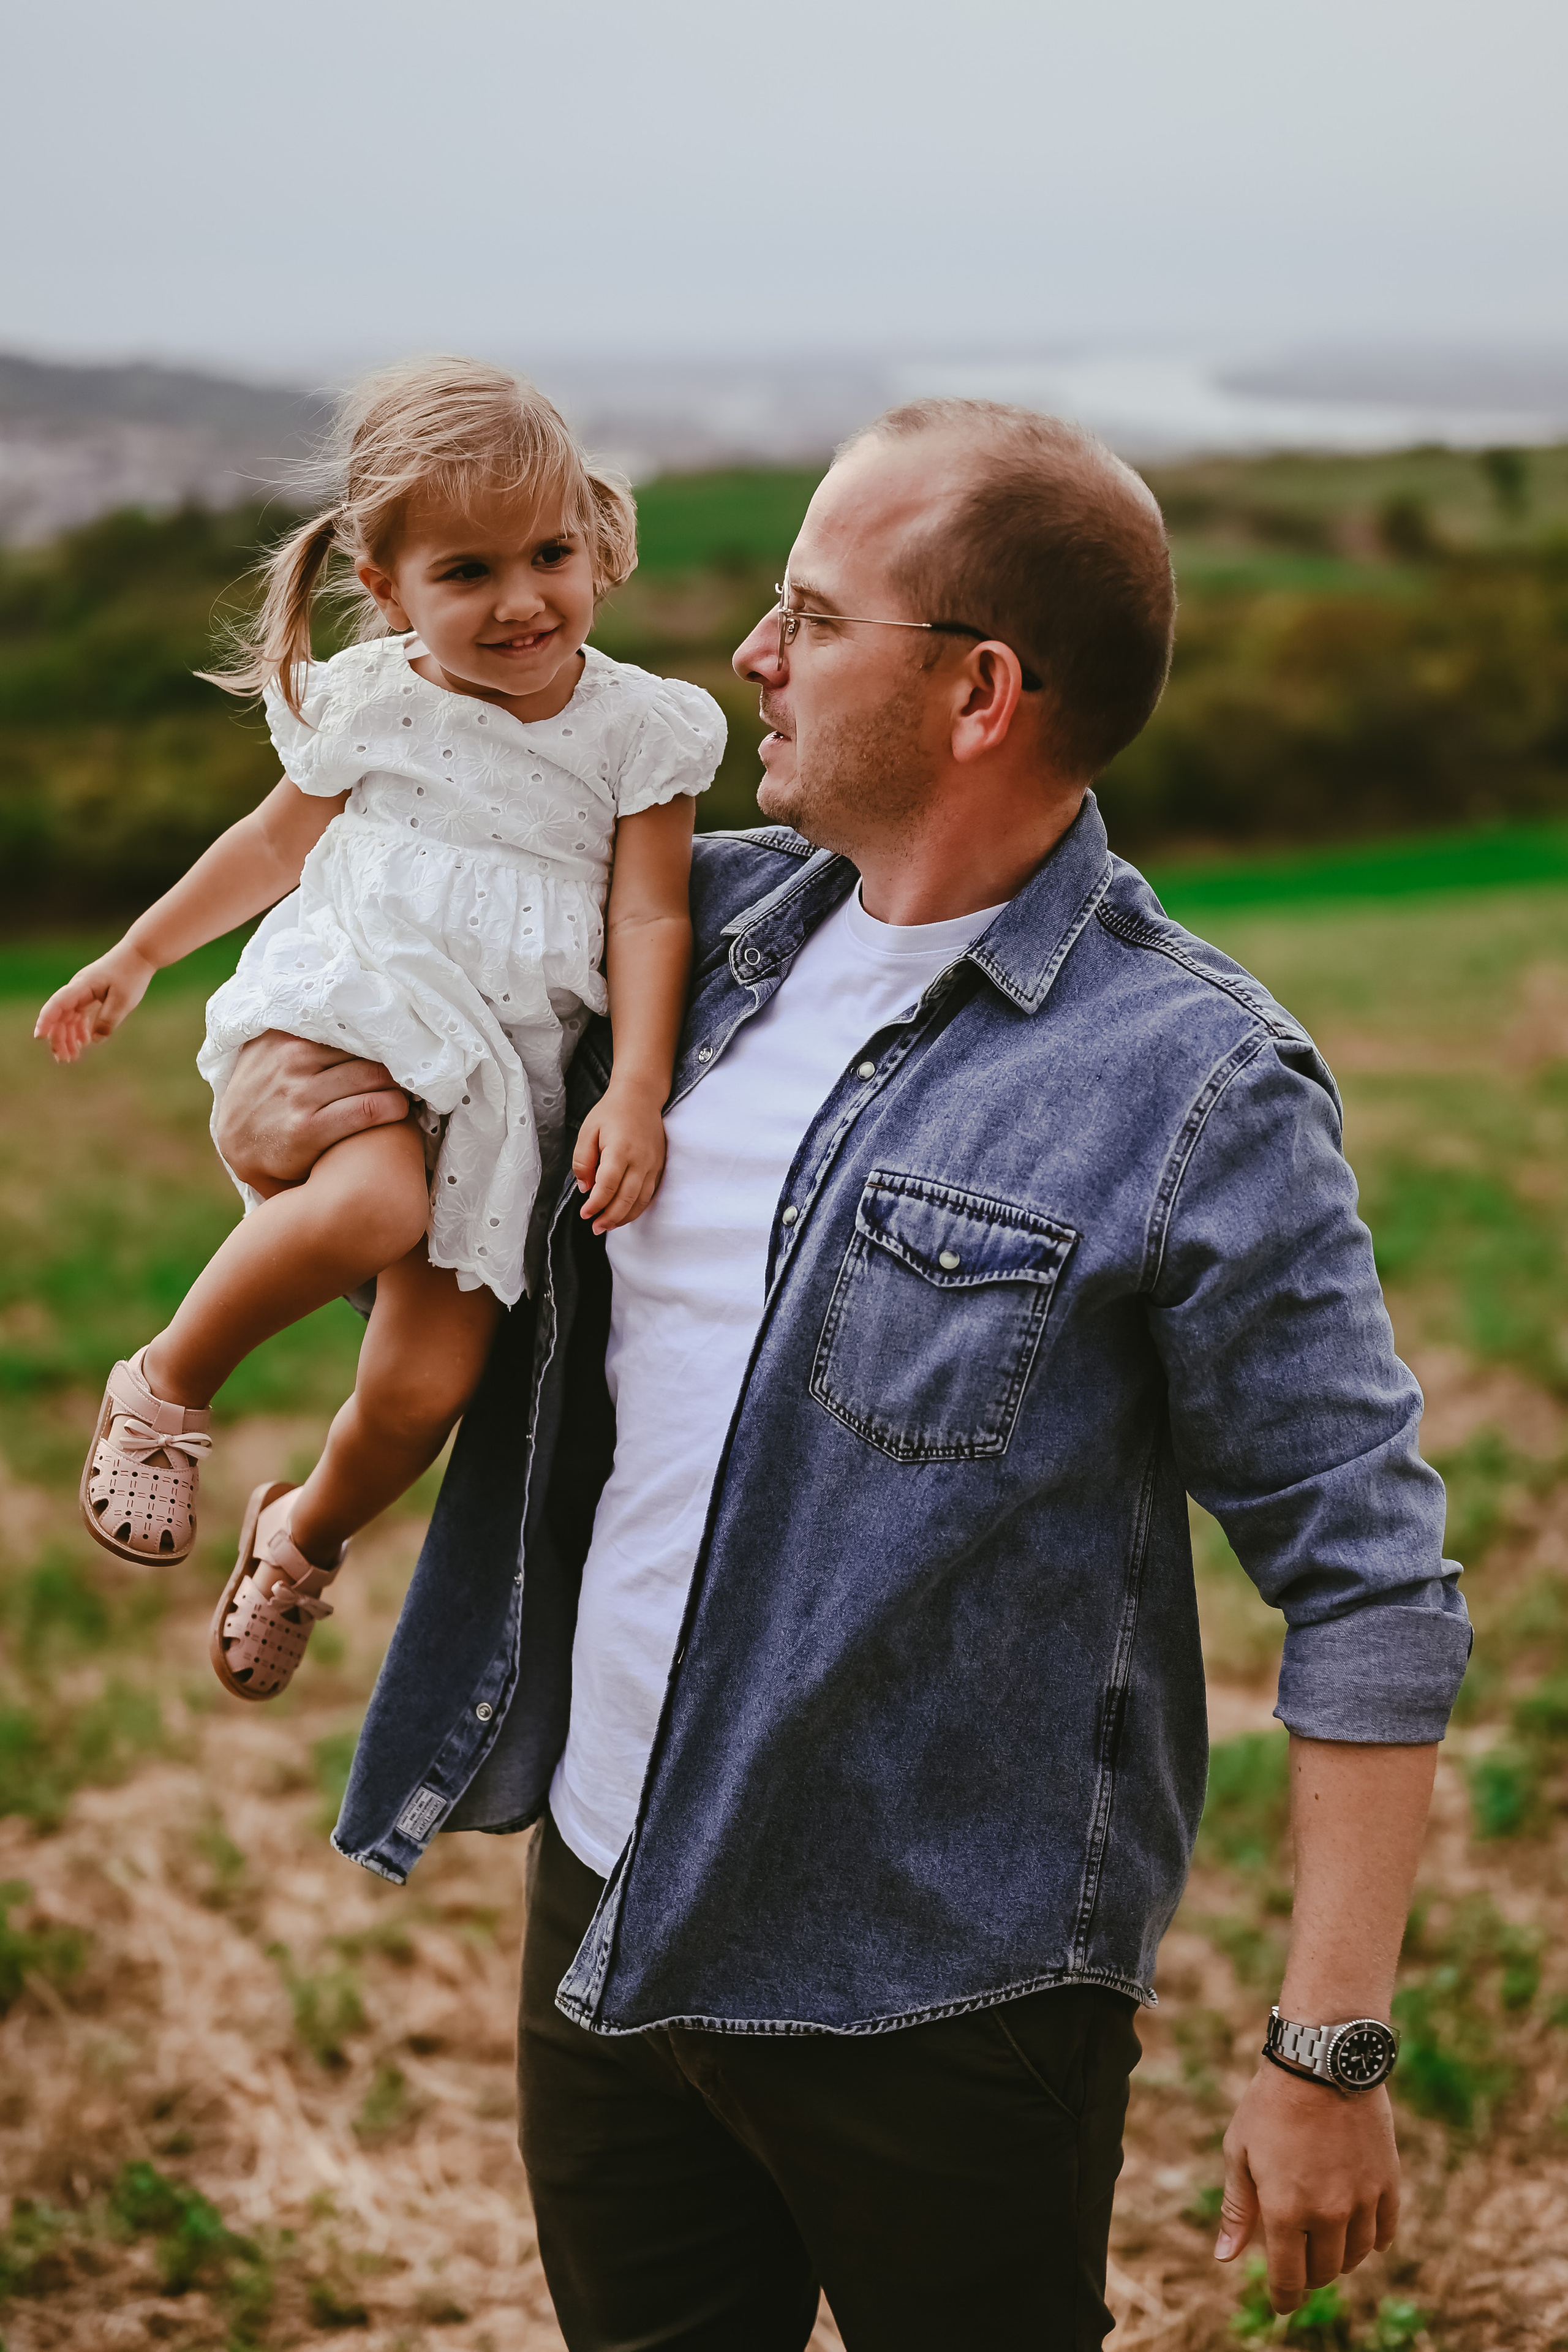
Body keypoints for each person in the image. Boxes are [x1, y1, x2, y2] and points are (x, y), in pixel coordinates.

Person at [212, 399, 1471, 2350]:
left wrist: (1328, 2048)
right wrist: (274, 1107)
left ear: (978, 692)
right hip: (605, 1910)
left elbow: (1370, 1581)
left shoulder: (1195, 1083)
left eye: (808, 614)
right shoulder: (688, 938)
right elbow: (366, 978)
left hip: (936, 2003)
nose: (748, 656)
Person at [33, 356, 723, 1706]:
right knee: (364, 1205)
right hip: (362, 1007)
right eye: (467, 573)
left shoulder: (644, 731)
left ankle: (303, 1538)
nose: (521, 600)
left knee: (423, 1388)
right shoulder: (374, 696)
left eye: (548, 553)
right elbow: (272, 844)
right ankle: (163, 1389)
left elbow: (649, 924)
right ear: (388, 581)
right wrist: (142, 952)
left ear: (592, 537)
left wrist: (631, 1090)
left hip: (497, 1083)